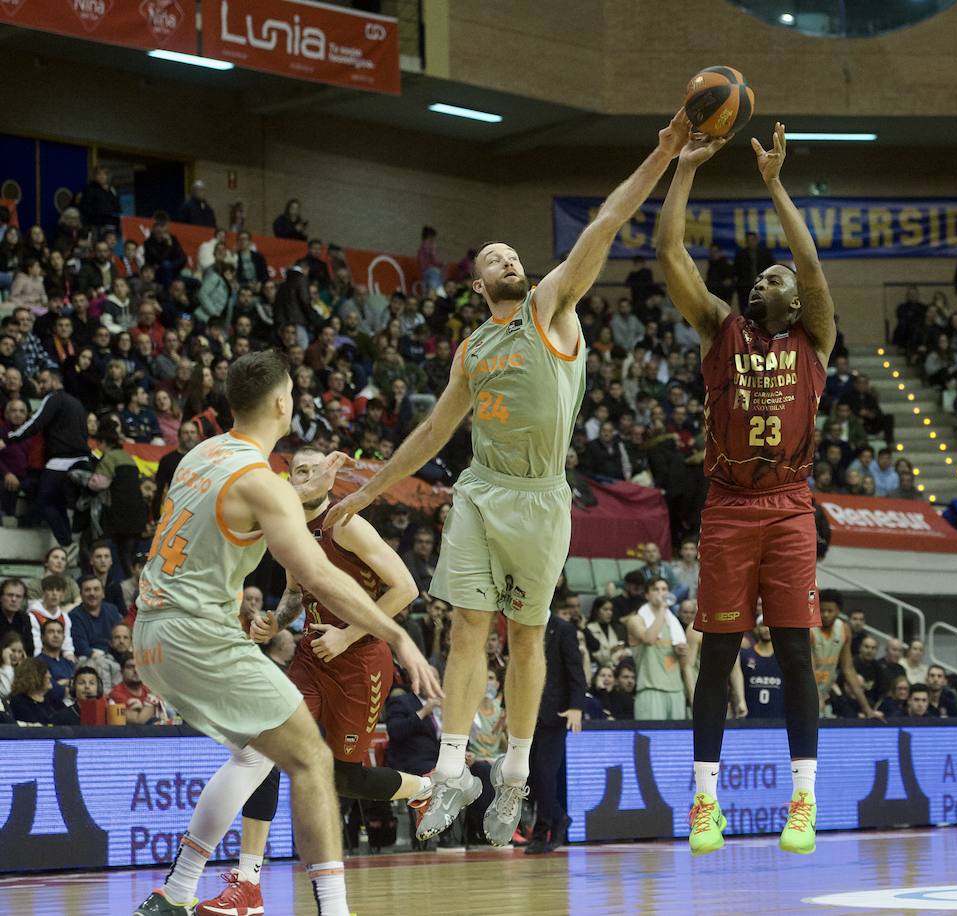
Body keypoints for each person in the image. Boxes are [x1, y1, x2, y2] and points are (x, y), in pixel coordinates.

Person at [324, 112, 692, 850]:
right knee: (467, 626)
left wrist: (664, 152)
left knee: (526, 638)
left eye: (514, 253)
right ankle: (453, 769)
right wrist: (367, 490)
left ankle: (515, 774)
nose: (508, 259)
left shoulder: (550, 306)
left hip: (542, 496)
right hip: (480, 489)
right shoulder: (472, 349)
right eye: (495, 257)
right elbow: (433, 433)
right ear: (477, 281)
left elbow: (607, 223)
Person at [130, 351, 438, 916]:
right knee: (313, 762)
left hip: (151, 634)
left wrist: (303, 495)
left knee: (257, 756)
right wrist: (397, 635)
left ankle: (181, 892)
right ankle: (330, 908)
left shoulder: (202, 454)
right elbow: (317, 573)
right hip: (199, 634)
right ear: (281, 402)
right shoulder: (264, 485)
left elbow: (246, 508)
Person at [658, 123, 834, 856]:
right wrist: (683, 169)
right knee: (718, 656)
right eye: (760, 277)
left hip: (789, 506)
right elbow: (670, 253)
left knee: (795, 652)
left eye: (775, 279)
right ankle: (705, 802)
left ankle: (804, 800)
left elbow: (810, 261)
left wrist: (774, 183)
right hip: (729, 506)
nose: (764, 281)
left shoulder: (814, 338)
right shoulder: (720, 329)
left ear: (796, 303)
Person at [196, 447, 436, 915]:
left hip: (361, 661)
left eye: (311, 469)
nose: (303, 476)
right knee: (267, 748)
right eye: (296, 470)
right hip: (311, 657)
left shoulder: (346, 524)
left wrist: (347, 635)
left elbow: (406, 588)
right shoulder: (288, 529)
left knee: (343, 777)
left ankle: (423, 789)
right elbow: (293, 593)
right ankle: (248, 883)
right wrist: (276, 621)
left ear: (329, 475)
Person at [1, 366, 89, 551]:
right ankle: (68, 541)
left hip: (60, 463)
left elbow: (35, 423)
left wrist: (9, 439)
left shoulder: (53, 398)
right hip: (81, 461)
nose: (40, 386)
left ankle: (66, 543)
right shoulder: (77, 403)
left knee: (45, 501)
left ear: (55, 381)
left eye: (43, 381)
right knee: (59, 502)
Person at [524, 609, 586, 855]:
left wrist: (576, 706)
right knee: (530, 775)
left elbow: (575, 669)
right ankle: (559, 818)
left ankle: (542, 833)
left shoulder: (563, 629)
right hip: (527, 714)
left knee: (544, 773)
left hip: (555, 713)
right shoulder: (523, 625)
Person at [625, 576, 691, 719]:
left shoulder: (674, 624)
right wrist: (662, 608)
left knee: (676, 734)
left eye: (664, 589)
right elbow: (649, 639)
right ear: (647, 595)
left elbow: (685, 664)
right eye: (656, 589)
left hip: (676, 690)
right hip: (650, 689)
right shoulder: (636, 620)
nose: (661, 593)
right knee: (650, 733)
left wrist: (682, 652)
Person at [810, 591, 879, 720]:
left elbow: (848, 669)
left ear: (838, 611)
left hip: (825, 691)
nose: (825, 614)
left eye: (830, 611)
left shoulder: (844, 629)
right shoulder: (810, 630)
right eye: (822, 610)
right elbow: (809, 669)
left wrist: (866, 708)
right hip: (806, 691)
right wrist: (816, 698)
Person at [736, 621, 784, 718]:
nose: (767, 629)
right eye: (763, 626)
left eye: (770, 625)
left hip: (779, 718)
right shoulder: (744, 655)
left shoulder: (784, 657)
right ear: (756, 628)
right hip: (749, 717)